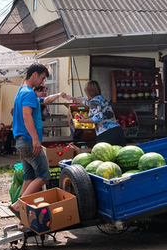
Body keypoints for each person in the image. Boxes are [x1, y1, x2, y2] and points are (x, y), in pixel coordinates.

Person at [9, 64, 55, 215]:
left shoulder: (21, 91)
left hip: (21, 141)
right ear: (34, 74)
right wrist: (35, 139)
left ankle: (21, 210)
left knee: (29, 177)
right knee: (44, 175)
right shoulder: (29, 93)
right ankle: (18, 205)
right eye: (42, 78)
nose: (42, 83)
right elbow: (26, 115)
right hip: (29, 141)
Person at [65, 80, 126, 146]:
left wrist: (84, 121)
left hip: (107, 134)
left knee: (105, 155)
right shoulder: (101, 99)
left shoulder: (94, 102)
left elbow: (98, 117)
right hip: (118, 131)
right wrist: (74, 99)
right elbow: (86, 101)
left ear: (88, 93)